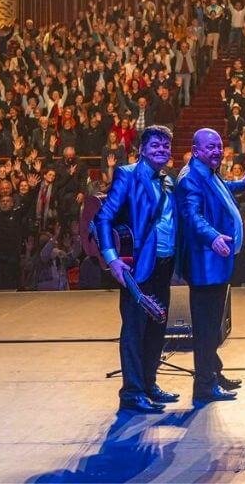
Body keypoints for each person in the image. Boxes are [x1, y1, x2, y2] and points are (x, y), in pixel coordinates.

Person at [92, 125, 182, 414]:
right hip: (137, 265)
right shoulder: (128, 174)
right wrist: (111, 258)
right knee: (134, 329)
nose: (161, 150)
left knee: (157, 324)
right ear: (142, 149)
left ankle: (149, 383)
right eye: (155, 145)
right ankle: (132, 391)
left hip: (164, 263)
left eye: (166, 146)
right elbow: (103, 218)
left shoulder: (169, 180)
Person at [177, 128, 245, 403]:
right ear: (196, 150)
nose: (217, 151)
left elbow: (217, 192)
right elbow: (192, 217)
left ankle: (213, 372)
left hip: (217, 263)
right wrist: (214, 236)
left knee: (214, 326)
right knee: (206, 328)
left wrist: (238, 186)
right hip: (205, 266)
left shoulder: (208, 172)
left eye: (219, 146)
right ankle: (205, 386)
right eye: (211, 147)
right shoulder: (190, 179)